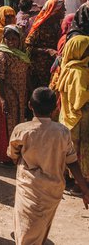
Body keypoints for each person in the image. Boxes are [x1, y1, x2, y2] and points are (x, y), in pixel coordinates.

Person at [9, 87, 89, 245]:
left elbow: (12, 154)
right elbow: (72, 161)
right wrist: (85, 190)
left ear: (30, 105)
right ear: (56, 108)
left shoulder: (22, 130)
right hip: (53, 190)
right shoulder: (63, 132)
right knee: (42, 225)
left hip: (28, 187)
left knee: (25, 228)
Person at [0, 26, 30, 163]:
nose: (11, 42)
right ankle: (5, 155)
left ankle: (11, 150)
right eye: (8, 39)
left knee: (17, 121)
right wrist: (2, 99)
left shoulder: (22, 54)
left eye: (14, 39)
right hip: (6, 93)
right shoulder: (2, 53)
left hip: (19, 94)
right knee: (5, 123)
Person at [52, 35, 89, 191]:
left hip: (68, 117)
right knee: (80, 151)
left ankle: (69, 179)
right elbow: (80, 100)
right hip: (79, 118)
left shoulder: (68, 67)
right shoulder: (79, 72)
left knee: (69, 150)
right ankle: (80, 184)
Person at [25, 0, 65, 90]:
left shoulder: (57, 25)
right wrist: (47, 51)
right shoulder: (40, 26)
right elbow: (28, 47)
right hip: (40, 68)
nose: (65, 11)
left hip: (53, 65)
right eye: (62, 8)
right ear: (55, 10)